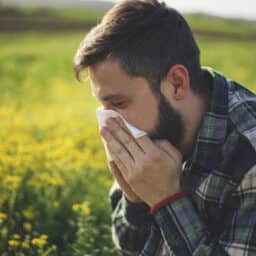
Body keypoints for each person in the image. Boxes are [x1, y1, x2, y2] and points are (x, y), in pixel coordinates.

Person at [73, 0, 256, 255]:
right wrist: (137, 200)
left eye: (118, 103)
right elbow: (129, 245)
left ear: (177, 84)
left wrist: (166, 200)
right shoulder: (153, 134)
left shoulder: (249, 154)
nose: (107, 127)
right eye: (104, 107)